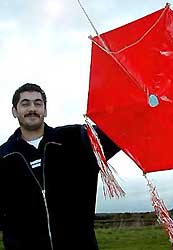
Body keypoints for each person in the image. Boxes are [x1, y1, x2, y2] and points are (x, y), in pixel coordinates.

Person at [0, 83, 120, 250]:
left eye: (38, 103)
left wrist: (145, 104)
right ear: (14, 111)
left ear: (45, 110)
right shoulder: (4, 157)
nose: (32, 108)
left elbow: (119, 131)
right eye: (25, 103)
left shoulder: (76, 139)